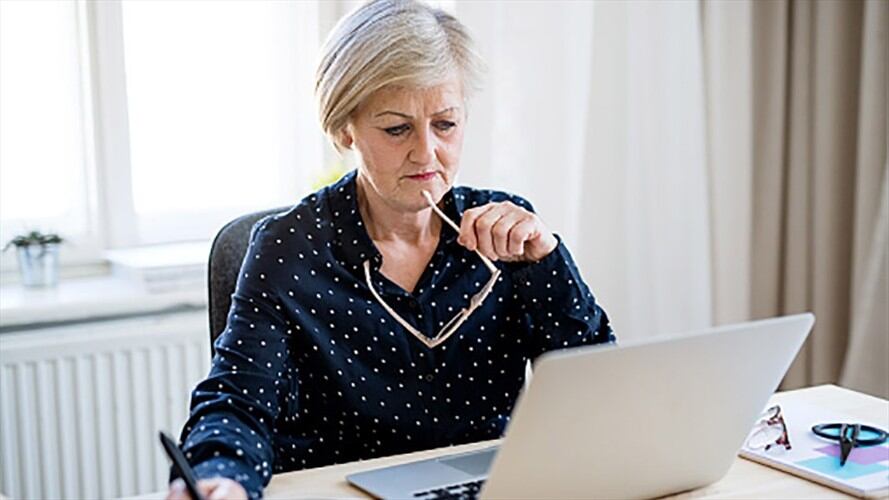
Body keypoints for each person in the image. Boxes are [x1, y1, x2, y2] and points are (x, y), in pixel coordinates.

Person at [167, 1, 613, 498]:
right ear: (344, 130)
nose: (426, 153)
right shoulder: (287, 248)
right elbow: (236, 400)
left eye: (445, 124)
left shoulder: (507, 236)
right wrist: (219, 477)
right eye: (397, 129)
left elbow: (597, 399)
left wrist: (550, 261)